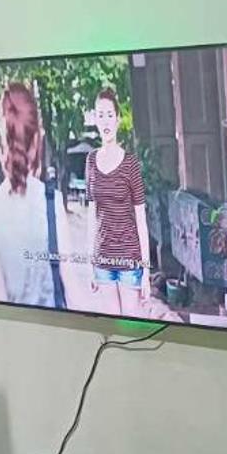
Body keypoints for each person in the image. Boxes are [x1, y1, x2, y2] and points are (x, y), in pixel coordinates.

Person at [0, 83, 59, 307]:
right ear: (37, 140)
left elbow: (1, 299)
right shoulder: (51, 202)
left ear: (4, 142)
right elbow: (72, 293)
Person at [85, 87, 152, 318]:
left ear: (118, 119)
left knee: (129, 326)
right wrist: (90, 264)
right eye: (100, 115)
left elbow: (141, 221)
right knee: (113, 326)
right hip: (102, 260)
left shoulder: (130, 164)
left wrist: (146, 273)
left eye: (109, 115)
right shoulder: (90, 160)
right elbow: (91, 217)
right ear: (95, 119)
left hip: (129, 261)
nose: (105, 121)